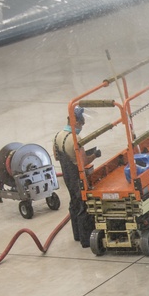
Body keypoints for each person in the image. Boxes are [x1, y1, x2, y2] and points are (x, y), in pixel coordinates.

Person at [52, 105, 98, 248]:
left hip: (67, 175)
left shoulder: (58, 136)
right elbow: (83, 162)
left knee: (74, 203)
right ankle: (86, 240)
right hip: (78, 176)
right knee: (83, 206)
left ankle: (77, 235)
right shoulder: (75, 139)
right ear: (76, 122)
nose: (82, 127)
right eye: (82, 124)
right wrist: (95, 155)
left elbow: (56, 156)